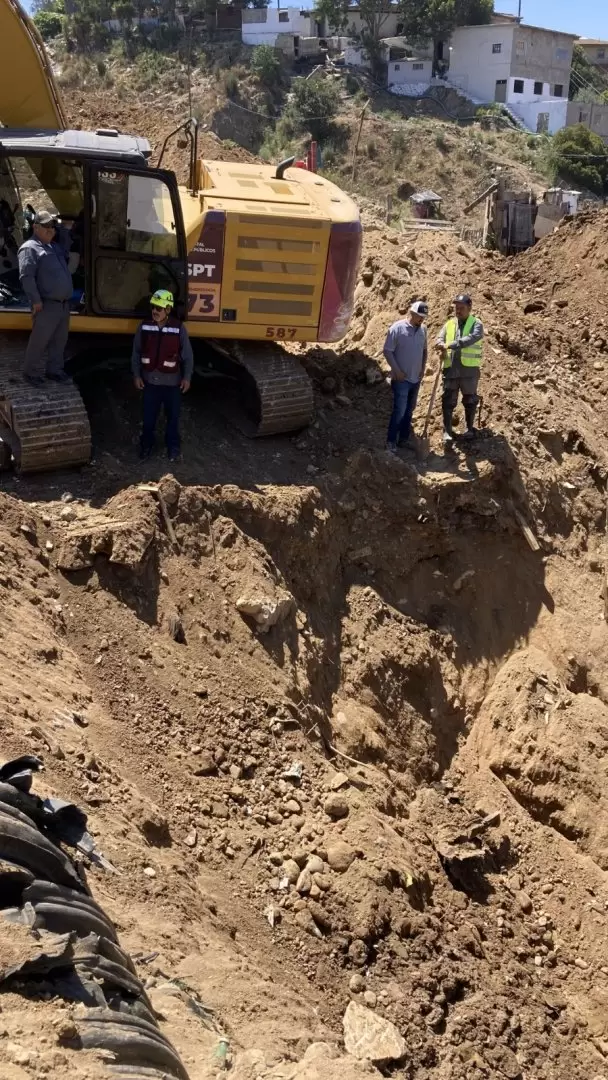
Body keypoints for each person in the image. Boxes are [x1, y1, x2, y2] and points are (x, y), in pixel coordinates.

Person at [132, 289, 193, 462]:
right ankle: (146, 446)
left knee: (172, 419)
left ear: (168, 309)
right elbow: (136, 353)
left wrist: (187, 378)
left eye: (159, 308)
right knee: (148, 419)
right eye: (153, 307)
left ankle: (173, 448)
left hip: (172, 385)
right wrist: (136, 375)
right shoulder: (144, 326)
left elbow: (188, 356)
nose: (155, 311)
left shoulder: (179, 328)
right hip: (150, 384)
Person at [18, 210, 74, 387]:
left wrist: (63, 228)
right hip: (46, 305)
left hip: (63, 305)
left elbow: (67, 245)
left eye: (52, 226)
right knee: (39, 341)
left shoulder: (54, 247)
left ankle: (54, 370)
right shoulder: (30, 248)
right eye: (46, 226)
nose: (51, 229)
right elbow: (26, 277)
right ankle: (30, 373)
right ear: (35, 227)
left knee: (59, 341)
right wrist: (35, 300)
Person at [435, 293, 484, 448]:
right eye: (457, 307)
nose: (458, 310)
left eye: (462, 307)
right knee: (448, 400)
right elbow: (439, 338)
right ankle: (447, 431)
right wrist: (440, 344)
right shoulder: (449, 324)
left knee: (470, 400)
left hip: (469, 370)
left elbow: (472, 338)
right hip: (451, 369)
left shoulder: (476, 324)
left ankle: (469, 429)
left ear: (469, 308)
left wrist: (451, 345)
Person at [383, 300, 428, 452]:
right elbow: (387, 350)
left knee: (409, 411)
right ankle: (391, 441)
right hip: (401, 379)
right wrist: (396, 371)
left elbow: (424, 351)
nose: (421, 319)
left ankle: (403, 439)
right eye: (419, 316)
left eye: (424, 317)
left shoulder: (423, 330)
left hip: (416, 379)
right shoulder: (397, 328)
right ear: (412, 313)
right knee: (400, 411)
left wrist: (422, 368)